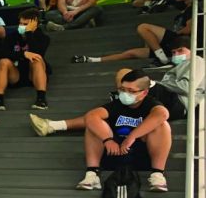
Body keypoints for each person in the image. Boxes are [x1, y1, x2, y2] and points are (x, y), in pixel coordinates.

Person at [31, 42, 201, 136]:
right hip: (165, 101)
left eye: (181, 49)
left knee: (126, 73)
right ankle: (52, 126)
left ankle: (122, 95)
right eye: (175, 50)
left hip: (177, 102)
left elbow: (187, 87)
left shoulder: (197, 60)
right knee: (112, 113)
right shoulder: (178, 66)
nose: (177, 52)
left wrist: (154, 84)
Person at [75, 69, 171, 192]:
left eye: (131, 91)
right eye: (123, 89)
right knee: (93, 125)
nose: (125, 94)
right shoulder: (117, 104)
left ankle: (157, 175)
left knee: (162, 126)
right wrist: (108, 140)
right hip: (114, 151)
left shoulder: (151, 104)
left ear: (144, 92)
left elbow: (162, 114)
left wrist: (132, 136)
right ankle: (92, 174)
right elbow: (91, 116)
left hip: (141, 154)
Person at [74, 0, 197, 65]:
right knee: (130, 53)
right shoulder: (180, 11)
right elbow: (136, 3)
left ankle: (161, 58)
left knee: (143, 27)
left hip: (179, 41)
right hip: (169, 47)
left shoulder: (192, 9)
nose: (178, 0)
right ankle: (91, 60)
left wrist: (179, 32)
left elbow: (189, 29)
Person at [0, 8, 52, 111]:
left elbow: (37, 52)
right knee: (3, 61)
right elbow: (2, 54)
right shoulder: (12, 37)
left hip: (33, 74)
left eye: (25, 24)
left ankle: (41, 99)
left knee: (37, 59)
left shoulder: (43, 37)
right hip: (16, 74)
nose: (21, 26)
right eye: (21, 23)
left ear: (35, 24)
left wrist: (29, 33)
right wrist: (23, 54)